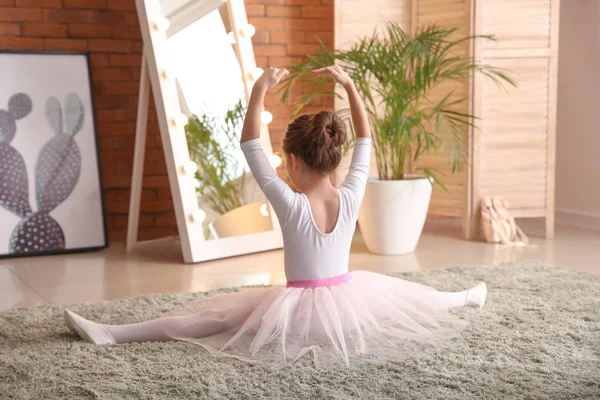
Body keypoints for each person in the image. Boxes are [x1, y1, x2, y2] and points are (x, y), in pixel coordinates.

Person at [64, 66, 487, 367]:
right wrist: (350, 86)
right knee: (410, 300)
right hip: (348, 305)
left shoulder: (290, 202)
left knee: (208, 319)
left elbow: (249, 144)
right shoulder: (354, 191)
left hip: (296, 313)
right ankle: (468, 296)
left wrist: (259, 88)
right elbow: (366, 139)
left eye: (285, 163)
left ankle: (113, 333)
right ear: (333, 157)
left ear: (292, 160)